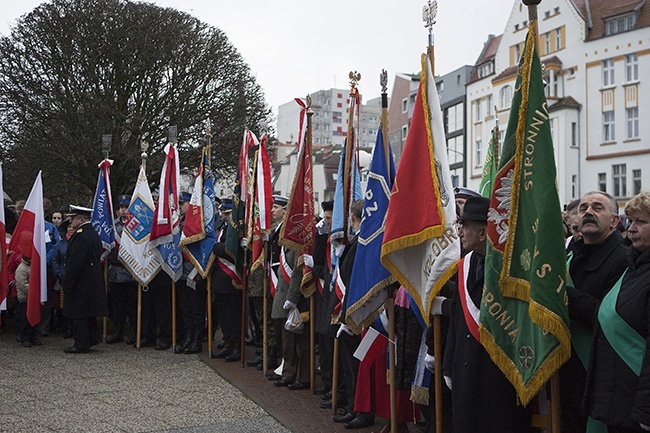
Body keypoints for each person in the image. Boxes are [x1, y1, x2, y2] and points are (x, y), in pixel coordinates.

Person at [443, 196, 532, 433]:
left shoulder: (511, 269)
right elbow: (457, 320)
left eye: (465, 226)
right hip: (464, 366)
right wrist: (448, 365)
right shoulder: (464, 264)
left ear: (483, 233)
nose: (460, 232)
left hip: (497, 372)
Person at [583, 192, 650, 433]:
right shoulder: (632, 268)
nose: (631, 229)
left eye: (641, 222)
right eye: (630, 221)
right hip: (617, 403)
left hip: (638, 412)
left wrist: (645, 412)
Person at [562, 191, 628, 432]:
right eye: (584, 208)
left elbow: (611, 317)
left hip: (599, 376)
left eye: (598, 207)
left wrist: (563, 295)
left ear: (614, 221)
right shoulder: (568, 256)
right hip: (564, 375)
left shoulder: (625, 260)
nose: (588, 211)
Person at [61, 205, 108, 353]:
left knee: (79, 312)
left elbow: (75, 262)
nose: (70, 220)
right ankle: (92, 338)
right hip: (92, 277)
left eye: (73, 218)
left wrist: (67, 282)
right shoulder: (92, 233)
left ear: (81, 219)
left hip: (82, 279)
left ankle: (81, 343)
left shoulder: (80, 235)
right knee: (88, 312)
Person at [106, 195, 138, 345]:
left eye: (126, 208)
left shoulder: (136, 226)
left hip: (131, 272)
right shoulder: (112, 226)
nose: (124, 211)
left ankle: (133, 332)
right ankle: (117, 331)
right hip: (115, 271)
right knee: (117, 305)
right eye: (122, 208)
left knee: (132, 305)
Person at [14, 255, 42, 347]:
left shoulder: (32, 267)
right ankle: (24, 337)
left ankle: (33, 336)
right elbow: (22, 284)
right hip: (25, 299)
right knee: (25, 319)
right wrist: (33, 292)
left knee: (33, 318)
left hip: (33, 298)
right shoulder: (21, 269)